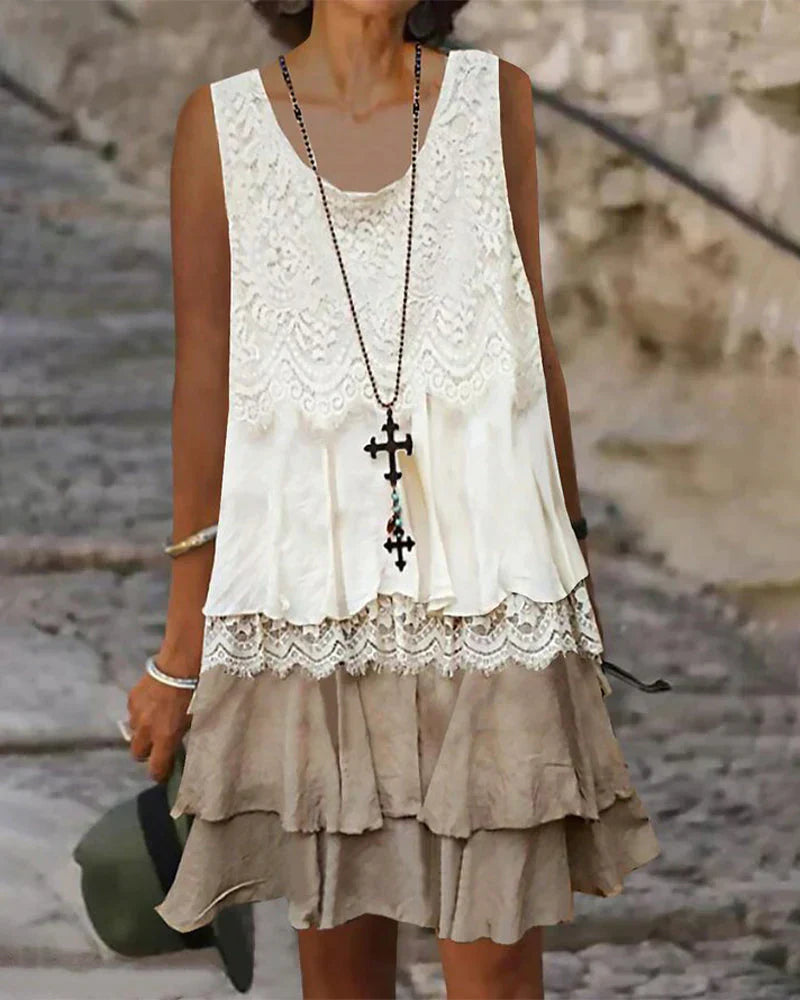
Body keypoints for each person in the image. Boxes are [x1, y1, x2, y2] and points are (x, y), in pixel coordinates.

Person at [125, 1, 661, 996]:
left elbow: (532, 340)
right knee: (342, 973)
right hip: (311, 603)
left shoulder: (493, 102)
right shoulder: (219, 125)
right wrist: (181, 650)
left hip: (491, 592)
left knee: (498, 971)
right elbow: (203, 381)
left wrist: (575, 570)